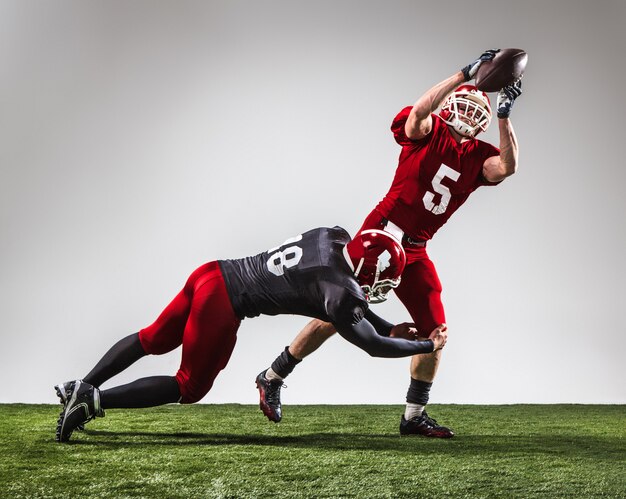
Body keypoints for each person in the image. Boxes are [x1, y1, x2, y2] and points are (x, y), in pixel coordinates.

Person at [256, 49, 523, 438]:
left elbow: (508, 166)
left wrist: (504, 115)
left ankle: (413, 416)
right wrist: (462, 74)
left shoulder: (479, 156)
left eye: (476, 110)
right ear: (450, 104)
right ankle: (272, 376)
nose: (468, 113)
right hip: (382, 232)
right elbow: (417, 113)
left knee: (436, 332)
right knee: (340, 313)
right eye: (463, 103)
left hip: (416, 248)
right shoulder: (425, 132)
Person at [54, 226, 448, 442]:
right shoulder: (341, 294)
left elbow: (352, 310)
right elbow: (373, 345)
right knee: (190, 387)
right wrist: (426, 344)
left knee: (153, 338)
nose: (385, 287)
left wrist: (386, 325)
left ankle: (82, 385)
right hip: (223, 305)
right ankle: (93, 399)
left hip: (211, 273)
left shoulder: (335, 236)